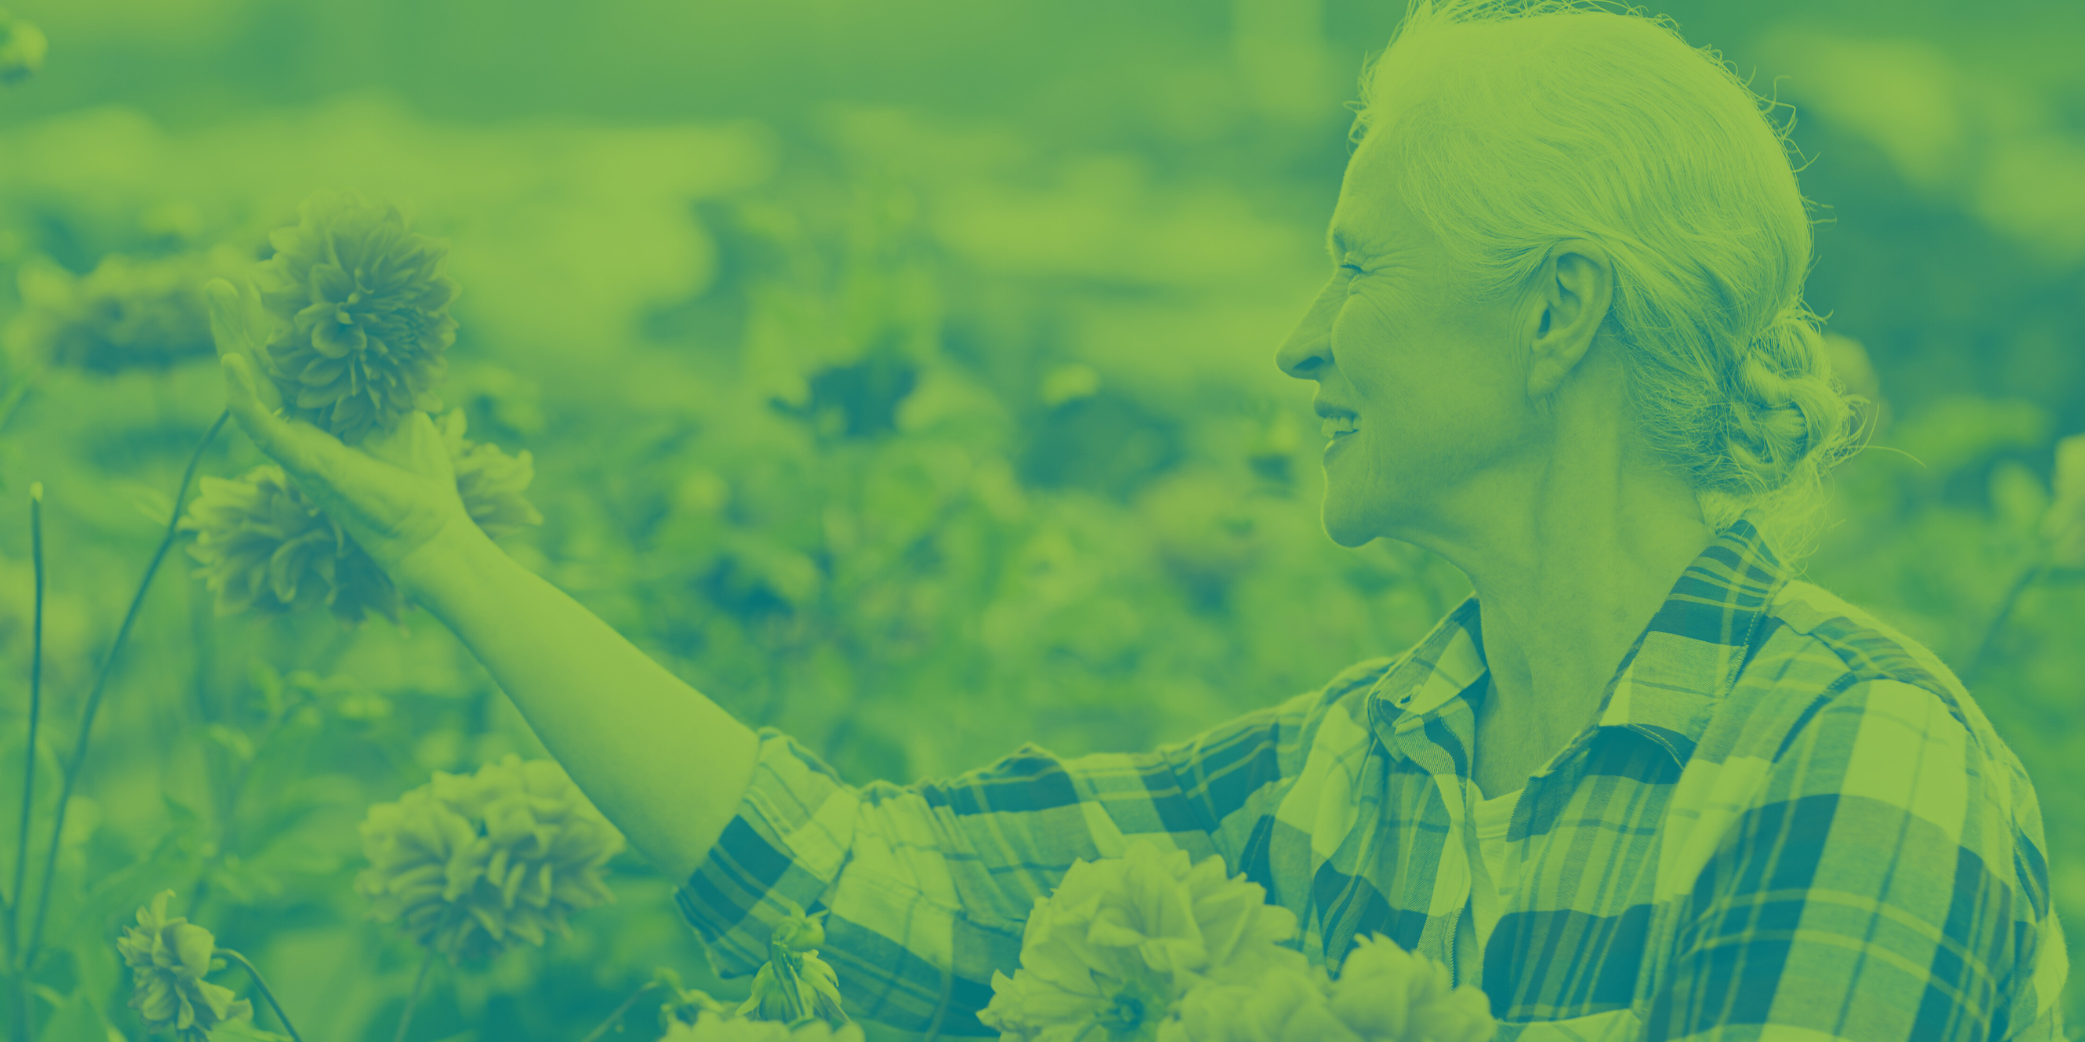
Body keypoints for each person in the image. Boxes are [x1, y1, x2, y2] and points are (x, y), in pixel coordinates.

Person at [212, 1, 2069, 1038]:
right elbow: (869, 886)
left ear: (1554, 314)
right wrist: (443, 548)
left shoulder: (1858, 760)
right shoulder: (1350, 766)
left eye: (1355, 267)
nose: (1297, 340)